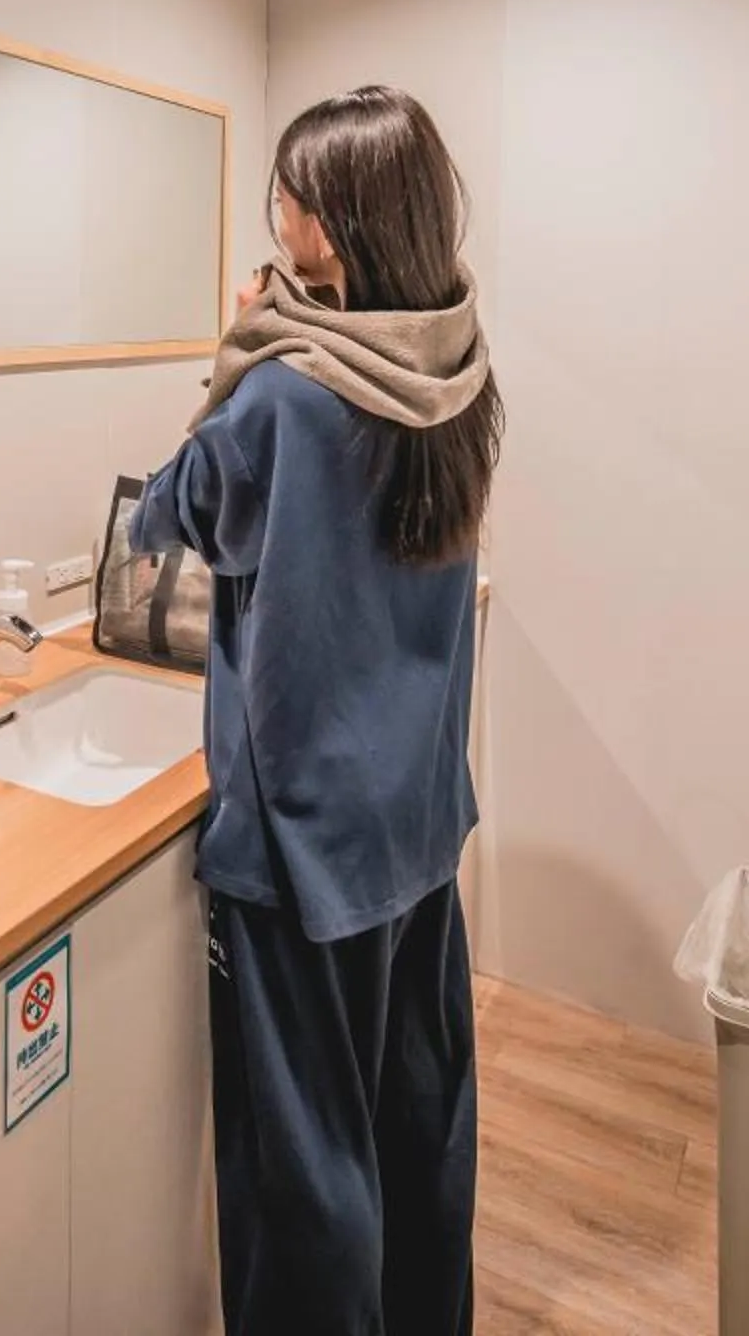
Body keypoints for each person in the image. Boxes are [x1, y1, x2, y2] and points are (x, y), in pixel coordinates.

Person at [130, 84, 501, 1336]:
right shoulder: (457, 370)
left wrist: (239, 348)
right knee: (419, 1127)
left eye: (284, 195)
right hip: (414, 820)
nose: (273, 213)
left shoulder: (283, 395)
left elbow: (170, 514)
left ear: (325, 225)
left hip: (299, 844)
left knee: (306, 1173)